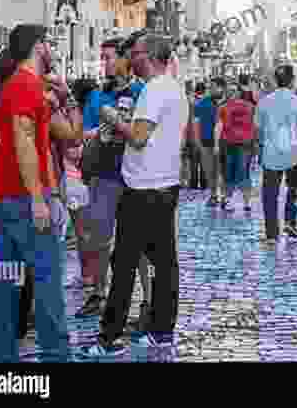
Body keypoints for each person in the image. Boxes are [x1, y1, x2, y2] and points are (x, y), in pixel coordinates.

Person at [79, 32, 189, 357]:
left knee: (124, 264)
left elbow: (139, 137)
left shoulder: (154, 90)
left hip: (142, 189)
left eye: (136, 53)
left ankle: (109, 337)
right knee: (164, 263)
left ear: (150, 55)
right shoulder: (174, 87)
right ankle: (162, 332)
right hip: (165, 184)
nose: (131, 58)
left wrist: (114, 119)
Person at [0, 24, 69, 362]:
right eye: (48, 41)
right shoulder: (25, 85)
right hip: (21, 199)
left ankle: (2, 357)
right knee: (47, 280)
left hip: (3, 197)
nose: (51, 47)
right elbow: (23, 142)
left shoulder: (15, 86)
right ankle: (55, 357)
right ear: (38, 46)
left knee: (4, 281)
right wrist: (38, 198)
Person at [76, 48, 151, 328]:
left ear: (125, 60)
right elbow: (83, 133)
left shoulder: (143, 92)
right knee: (99, 238)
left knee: (140, 242)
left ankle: (146, 300)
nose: (104, 62)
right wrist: (101, 131)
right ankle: (98, 292)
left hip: (135, 177)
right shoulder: (97, 95)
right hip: (104, 175)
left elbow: (148, 133)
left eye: (109, 57)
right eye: (102, 57)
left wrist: (121, 124)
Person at [255, 64, 297, 243]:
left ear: (275, 81)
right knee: (293, 189)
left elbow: (258, 130)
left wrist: (260, 148)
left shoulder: (264, 101)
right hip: (294, 151)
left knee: (270, 194)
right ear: (292, 80)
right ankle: (290, 221)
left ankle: (272, 233)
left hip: (271, 152)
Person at [217, 82, 255, 212]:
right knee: (229, 173)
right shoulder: (223, 107)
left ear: (239, 92)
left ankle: (246, 202)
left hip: (245, 144)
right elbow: (219, 126)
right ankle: (228, 200)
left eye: (233, 90)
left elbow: (254, 125)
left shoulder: (249, 106)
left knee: (243, 172)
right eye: (229, 91)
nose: (231, 93)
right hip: (229, 143)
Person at [192, 77, 226, 207]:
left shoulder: (227, 102)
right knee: (209, 171)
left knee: (222, 171)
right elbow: (195, 122)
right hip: (206, 143)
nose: (210, 90)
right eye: (210, 87)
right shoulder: (202, 103)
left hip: (225, 143)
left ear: (221, 88)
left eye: (213, 87)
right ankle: (213, 195)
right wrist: (197, 140)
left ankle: (223, 196)